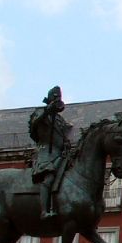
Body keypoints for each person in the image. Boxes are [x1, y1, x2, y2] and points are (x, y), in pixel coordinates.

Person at [28, 85, 69, 218]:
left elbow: (63, 137)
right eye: (56, 97)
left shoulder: (60, 120)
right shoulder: (40, 112)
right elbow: (34, 125)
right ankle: (44, 211)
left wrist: (66, 144)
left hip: (60, 154)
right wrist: (47, 111)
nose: (58, 100)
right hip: (46, 152)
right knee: (49, 178)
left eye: (60, 98)